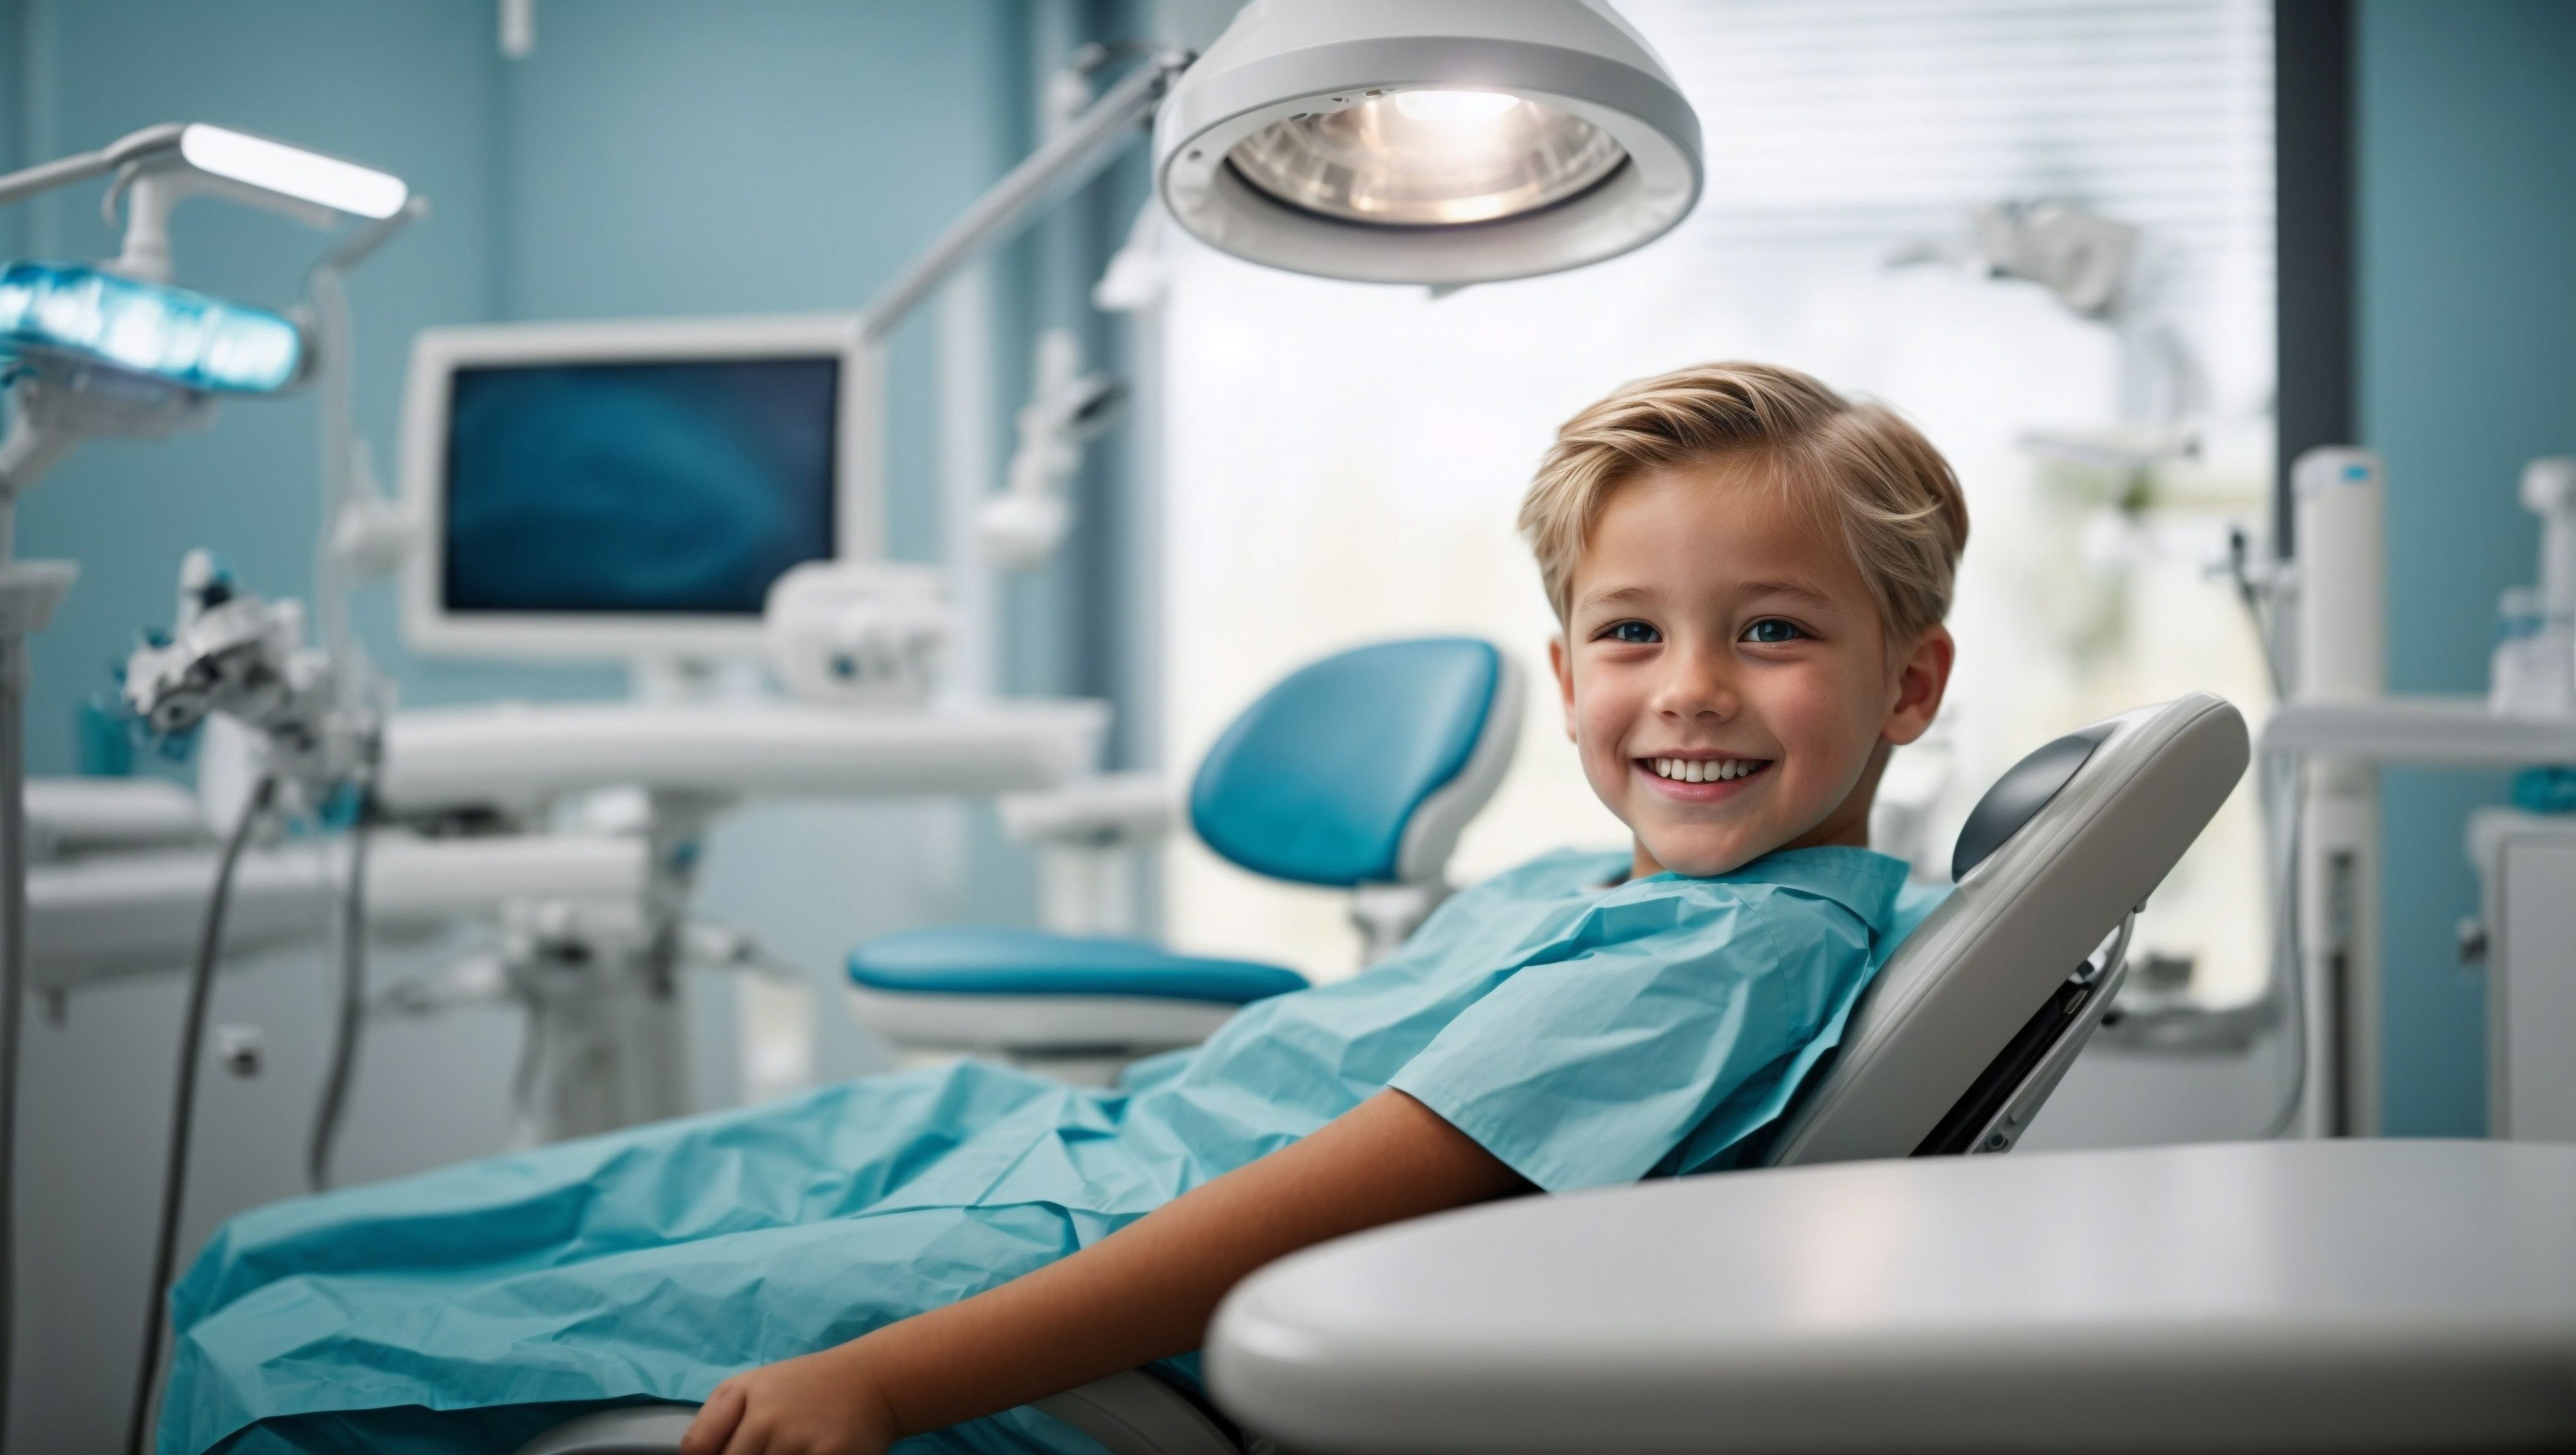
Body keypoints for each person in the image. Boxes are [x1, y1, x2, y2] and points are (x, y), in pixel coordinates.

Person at [160, 362, 1967, 1455]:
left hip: (1031, 1254)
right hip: (1001, 1143)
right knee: (255, 1255)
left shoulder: (1727, 961)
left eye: (1776, 631)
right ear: (1562, 668)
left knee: (274, 1365)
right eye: (1634, 635)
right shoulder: (1602, 887)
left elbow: (1278, 1227)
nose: (1692, 692)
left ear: (1910, 684)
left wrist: (877, 1379)